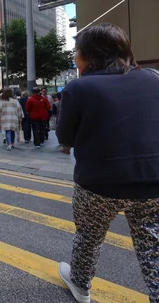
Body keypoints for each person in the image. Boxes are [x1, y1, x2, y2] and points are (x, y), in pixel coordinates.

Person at [55, 23, 159, 303]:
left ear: (89, 56)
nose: (75, 58)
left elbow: (65, 138)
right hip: (153, 180)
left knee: (89, 237)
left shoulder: (78, 88)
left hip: (98, 182)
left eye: (76, 51)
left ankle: (80, 285)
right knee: (153, 246)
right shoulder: (154, 78)